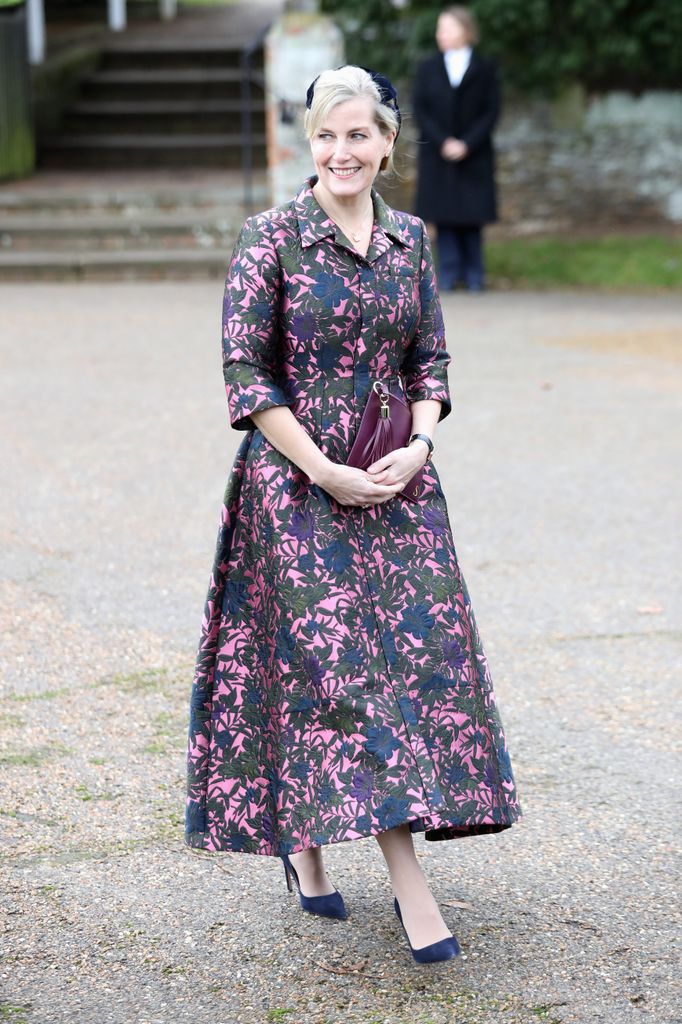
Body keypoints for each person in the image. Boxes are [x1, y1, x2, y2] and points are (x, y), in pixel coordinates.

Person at [184, 64, 521, 965]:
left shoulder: (411, 240)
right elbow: (245, 376)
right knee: (338, 675)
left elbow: (431, 360)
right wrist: (325, 469)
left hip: (400, 487)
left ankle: (308, 847)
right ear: (309, 143)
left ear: (387, 145)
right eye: (327, 136)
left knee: (413, 667)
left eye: (359, 136)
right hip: (296, 487)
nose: (342, 152)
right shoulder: (271, 239)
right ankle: (411, 890)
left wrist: (422, 442)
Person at [413, 6, 501, 292]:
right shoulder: (427, 68)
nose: (441, 34)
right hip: (438, 154)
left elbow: (491, 110)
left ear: (465, 30)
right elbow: (420, 110)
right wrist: (444, 141)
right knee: (445, 215)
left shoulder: (485, 68)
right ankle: (449, 274)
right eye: (440, 29)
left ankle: (475, 274)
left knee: (472, 216)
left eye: (447, 28)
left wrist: (467, 143)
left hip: (474, 154)